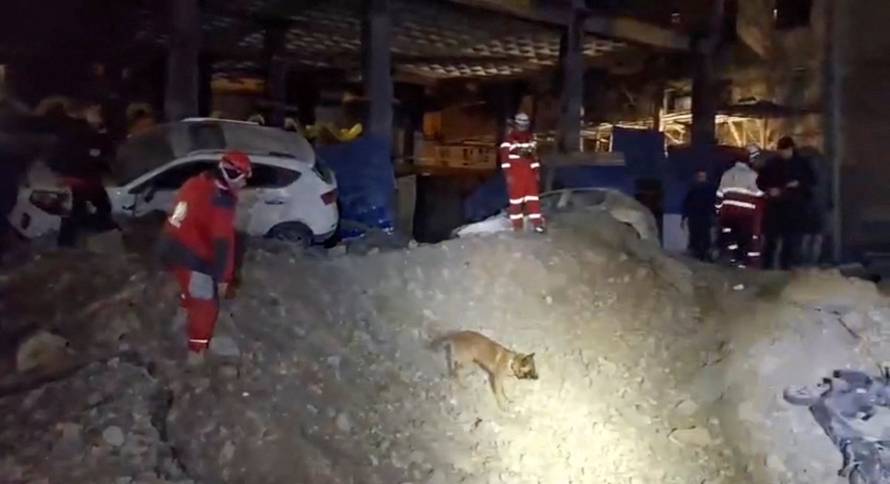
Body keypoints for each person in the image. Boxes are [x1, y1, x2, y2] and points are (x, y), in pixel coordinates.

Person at [157, 151, 252, 364]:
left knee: (188, 288)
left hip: (171, 245)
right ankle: (196, 350)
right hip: (193, 258)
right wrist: (224, 278)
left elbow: (180, 214)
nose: (245, 183)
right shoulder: (221, 203)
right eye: (243, 177)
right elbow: (223, 244)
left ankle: (183, 311)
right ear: (233, 175)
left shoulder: (196, 182)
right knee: (206, 307)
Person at [757, 136, 816, 269]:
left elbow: (811, 181)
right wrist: (769, 190)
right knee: (771, 238)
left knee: (789, 240)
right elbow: (761, 181)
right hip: (775, 207)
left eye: (785, 151)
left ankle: (786, 266)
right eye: (781, 151)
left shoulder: (801, 164)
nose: (783, 154)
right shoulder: (772, 164)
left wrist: (798, 184)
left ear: (791, 149)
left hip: (793, 207)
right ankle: (767, 266)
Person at [717, 152, 766, 268]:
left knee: (731, 237)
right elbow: (758, 193)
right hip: (745, 213)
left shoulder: (727, 174)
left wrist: (718, 210)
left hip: (728, 212)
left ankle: (733, 259)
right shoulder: (752, 175)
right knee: (744, 237)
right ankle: (743, 262)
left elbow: (719, 194)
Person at [499, 112, 544, 233]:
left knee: (533, 201)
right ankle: (518, 228)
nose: (523, 126)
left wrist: (536, 172)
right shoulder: (508, 140)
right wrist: (508, 175)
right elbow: (505, 160)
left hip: (529, 175)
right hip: (516, 176)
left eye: (525, 124)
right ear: (516, 124)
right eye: (521, 124)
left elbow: (534, 157)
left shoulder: (530, 138)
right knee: (516, 203)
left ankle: (538, 225)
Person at [682, 169, 717, 261]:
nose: (701, 178)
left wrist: (714, 215)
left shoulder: (709, 189)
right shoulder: (693, 189)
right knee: (696, 235)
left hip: (704, 216)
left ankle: (703, 253)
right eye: (700, 176)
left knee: (704, 236)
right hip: (695, 217)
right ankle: (699, 253)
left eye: (703, 176)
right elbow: (687, 203)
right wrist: (684, 216)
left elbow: (713, 203)